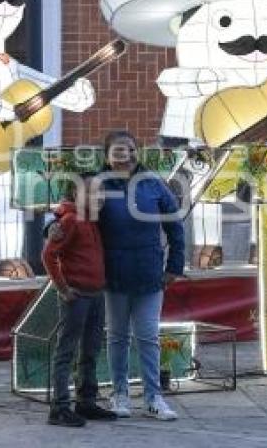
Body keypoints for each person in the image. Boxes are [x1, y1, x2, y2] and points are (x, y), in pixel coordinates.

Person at [98, 130, 185, 421]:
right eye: (119, 151)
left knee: (148, 337)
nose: (126, 156)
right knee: (118, 337)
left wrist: (174, 266)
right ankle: (119, 394)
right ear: (107, 157)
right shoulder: (97, 185)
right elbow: (71, 215)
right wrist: (52, 230)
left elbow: (175, 227)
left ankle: (153, 397)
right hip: (113, 276)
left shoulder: (154, 185)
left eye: (131, 150)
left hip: (149, 275)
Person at [42, 173, 116, 427]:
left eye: (101, 193)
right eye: (92, 193)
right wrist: (62, 288)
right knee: (67, 351)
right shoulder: (71, 220)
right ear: (76, 195)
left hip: (96, 295)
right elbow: (48, 256)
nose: (98, 198)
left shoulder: (92, 220)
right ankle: (59, 407)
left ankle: (86, 401)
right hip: (77, 295)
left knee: (91, 350)